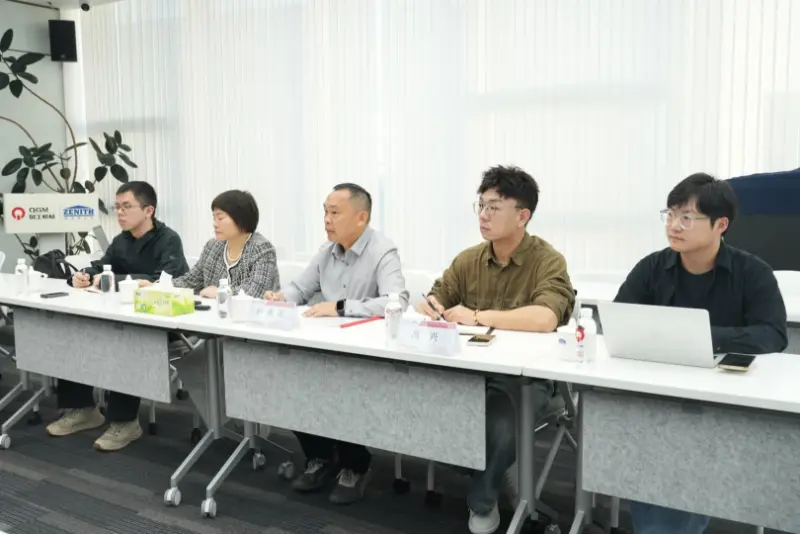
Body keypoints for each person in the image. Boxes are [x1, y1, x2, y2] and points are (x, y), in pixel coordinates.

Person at [615, 172, 787, 534]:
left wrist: (702, 336)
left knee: (683, 461)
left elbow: (773, 334)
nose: (674, 226)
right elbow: (617, 320)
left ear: (720, 225)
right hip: (659, 393)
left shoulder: (753, 273)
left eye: (687, 217)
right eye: (670, 214)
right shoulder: (652, 267)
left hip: (725, 398)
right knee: (645, 454)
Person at [418, 165, 575, 534]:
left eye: (494, 207)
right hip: (469, 369)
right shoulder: (468, 259)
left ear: (522, 216)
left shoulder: (547, 260)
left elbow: (545, 318)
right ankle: (499, 464)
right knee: (422, 407)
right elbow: (435, 297)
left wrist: (476, 316)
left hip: (524, 378)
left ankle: (483, 500)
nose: (483, 215)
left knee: (500, 426)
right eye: (481, 206)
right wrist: (431, 306)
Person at [263, 183, 408, 505]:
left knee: (342, 392)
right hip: (323, 346)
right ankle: (320, 456)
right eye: (325, 212)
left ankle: (356, 465)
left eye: (334, 213)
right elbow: (300, 288)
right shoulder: (326, 251)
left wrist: (341, 307)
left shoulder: (383, 251)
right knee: (291, 385)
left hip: (363, 354)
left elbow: (396, 301)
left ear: (361, 217)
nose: (327, 220)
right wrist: (281, 297)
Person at [47, 181, 189, 452]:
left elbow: (165, 280)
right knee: (75, 331)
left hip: (161, 320)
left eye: (126, 207)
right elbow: (101, 266)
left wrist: (115, 279)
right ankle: (83, 409)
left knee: (125, 341)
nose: (120, 213)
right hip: (122, 315)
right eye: (117, 207)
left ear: (148, 210)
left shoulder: (169, 240)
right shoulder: (121, 240)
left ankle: (125, 423)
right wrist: (83, 275)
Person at [165, 190, 279, 425]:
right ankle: (224, 424)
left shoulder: (261, 248)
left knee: (227, 370)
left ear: (240, 218)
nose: (215, 224)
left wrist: (220, 292)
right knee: (194, 366)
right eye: (213, 218)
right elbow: (191, 280)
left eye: (220, 217)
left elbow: (255, 292)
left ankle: (244, 424)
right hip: (217, 330)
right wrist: (158, 286)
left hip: (253, 333)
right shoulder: (213, 247)